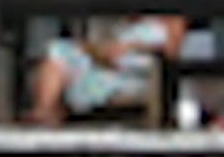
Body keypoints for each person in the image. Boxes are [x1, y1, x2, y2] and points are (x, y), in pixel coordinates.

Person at [27, 14, 184, 125]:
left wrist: (132, 47)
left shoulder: (169, 18)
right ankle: (44, 110)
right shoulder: (118, 18)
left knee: (78, 71)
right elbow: (99, 46)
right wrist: (98, 50)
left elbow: (172, 52)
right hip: (104, 64)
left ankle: (51, 111)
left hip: (140, 73)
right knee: (58, 49)